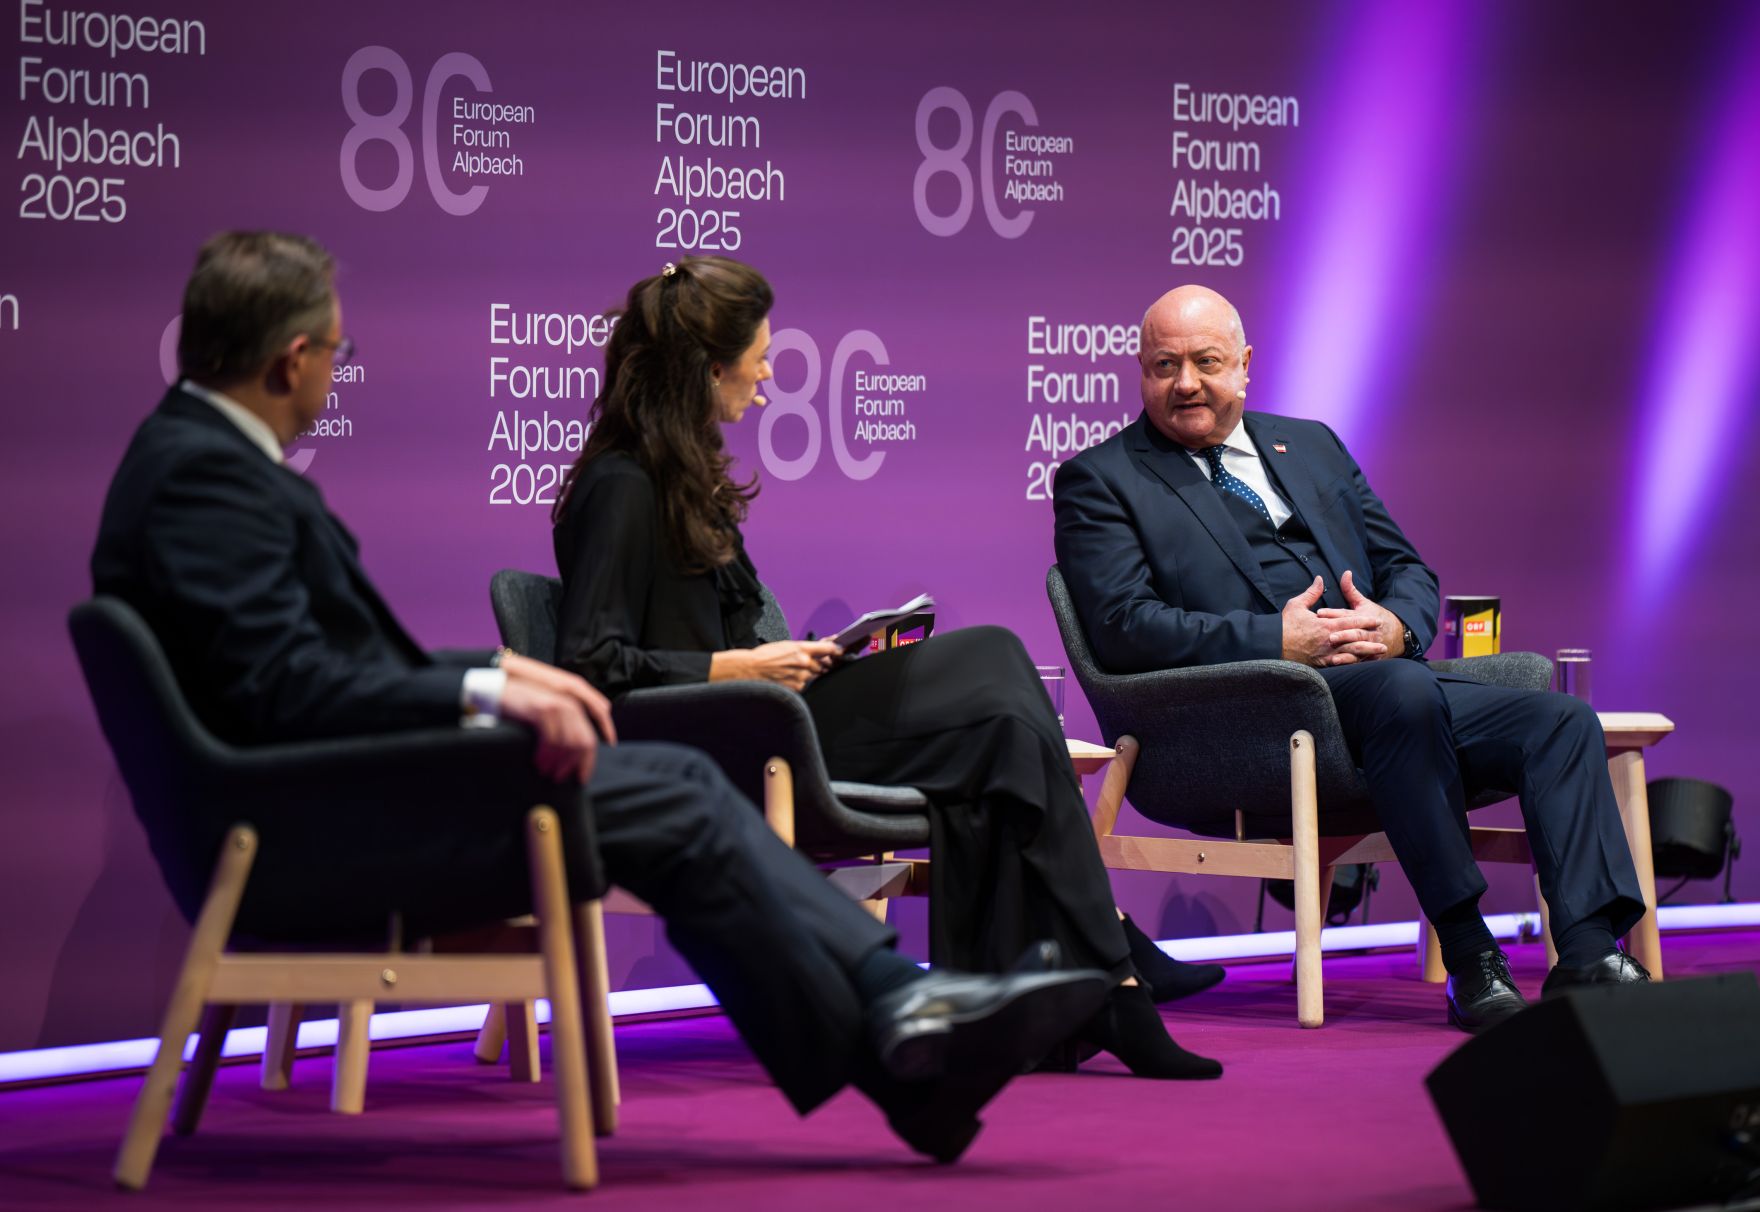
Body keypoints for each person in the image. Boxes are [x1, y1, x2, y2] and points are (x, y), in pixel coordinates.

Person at [89, 230, 1117, 1165]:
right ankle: (904, 1023)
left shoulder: (197, 464)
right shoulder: (204, 481)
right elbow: (288, 689)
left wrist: (485, 677)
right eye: (337, 356)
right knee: (671, 786)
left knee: (670, 783)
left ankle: (905, 1040)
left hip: (323, 800)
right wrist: (483, 682)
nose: (332, 378)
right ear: (291, 359)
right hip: (306, 828)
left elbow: (292, 674)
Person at [550, 255, 1224, 1081]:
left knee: (1001, 703)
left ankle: (1096, 983)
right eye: (757, 358)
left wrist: (797, 661)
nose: (766, 379)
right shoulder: (618, 486)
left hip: (765, 716)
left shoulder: (683, 477)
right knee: (995, 693)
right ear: (705, 367)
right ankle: (1109, 965)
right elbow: (590, 665)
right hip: (718, 745)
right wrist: (735, 666)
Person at [1052, 284, 1650, 1034]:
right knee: (1404, 694)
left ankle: (1589, 954)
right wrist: (1277, 640)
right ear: (1140, 372)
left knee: (1560, 722)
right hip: (1250, 714)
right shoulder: (1103, 478)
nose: (1185, 384)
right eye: (1164, 365)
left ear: (1244, 366)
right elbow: (1122, 627)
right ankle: (1471, 956)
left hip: (1384, 682)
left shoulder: (1311, 445)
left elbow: (1407, 569)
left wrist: (1398, 625)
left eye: (1206, 362)